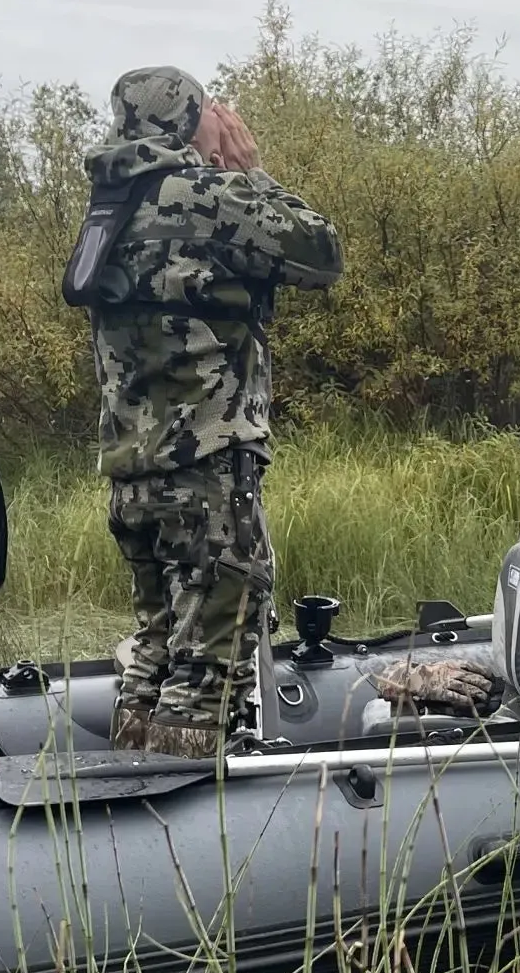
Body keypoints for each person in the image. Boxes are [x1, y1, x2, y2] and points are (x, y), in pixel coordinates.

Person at [67, 67, 343, 756]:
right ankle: (182, 835)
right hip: (207, 474)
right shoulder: (212, 196)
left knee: (154, 661)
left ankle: (122, 817)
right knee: (204, 681)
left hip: (133, 479)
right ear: (191, 124)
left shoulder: (110, 207)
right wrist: (249, 171)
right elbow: (321, 253)